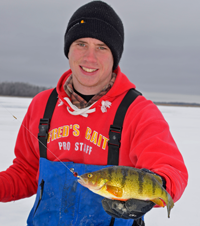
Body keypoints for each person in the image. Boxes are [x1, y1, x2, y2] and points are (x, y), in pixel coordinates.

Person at [0, 1, 188, 226]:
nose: (90, 58)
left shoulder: (138, 111)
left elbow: (171, 170)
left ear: (114, 56)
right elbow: (26, 172)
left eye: (101, 47)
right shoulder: (42, 106)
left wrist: (158, 187)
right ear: (68, 49)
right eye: (81, 44)